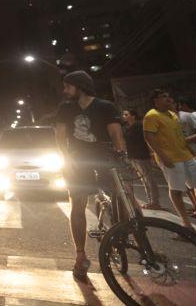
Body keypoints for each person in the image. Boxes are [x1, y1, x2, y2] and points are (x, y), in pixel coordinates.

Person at [54, 70, 127, 283]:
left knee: (123, 197)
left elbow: (116, 135)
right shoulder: (65, 109)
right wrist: (67, 160)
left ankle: (125, 233)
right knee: (77, 205)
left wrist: (122, 157)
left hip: (105, 159)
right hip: (78, 163)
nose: (65, 90)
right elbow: (60, 138)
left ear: (80, 86)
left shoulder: (106, 106)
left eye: (68, 86)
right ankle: (80, 256)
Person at [143, 90, 196, 226]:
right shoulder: (151, 116)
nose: (168, 99)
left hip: (186, 155)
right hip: (171, 158)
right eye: (163, 97)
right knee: (176, 190)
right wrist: (162, 157)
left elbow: (180, 137)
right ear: (155, 101)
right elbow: (149, 138)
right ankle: (186, 224)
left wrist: (191, 152)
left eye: (169, 96)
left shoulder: (172, 115)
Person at [121, 109, 162, 210]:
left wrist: (152, 153)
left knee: (149, 179)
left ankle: (155, 202)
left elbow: (147, 140)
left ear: (133, 116)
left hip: (142, 156)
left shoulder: (139, 126)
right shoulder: (128, 127)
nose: (123, 116)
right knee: (144, 180)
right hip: (133, 156)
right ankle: (151, 201)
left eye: (126, 114)